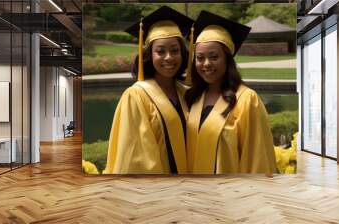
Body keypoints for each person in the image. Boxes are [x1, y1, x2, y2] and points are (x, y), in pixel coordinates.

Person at [103, 6, 194, 174]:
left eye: (175, 50)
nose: (169, 57)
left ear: (182, 54)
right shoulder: (136, 96)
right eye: (160, 51)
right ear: (149, 55)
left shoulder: (185, 93)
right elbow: (136, 156)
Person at [185, 10, 277, 174]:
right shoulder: (193, 97)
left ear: (227, 59)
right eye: (200, 58)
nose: (206, 64)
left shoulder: (247, 100)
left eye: (214, 57)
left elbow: (257, 157)